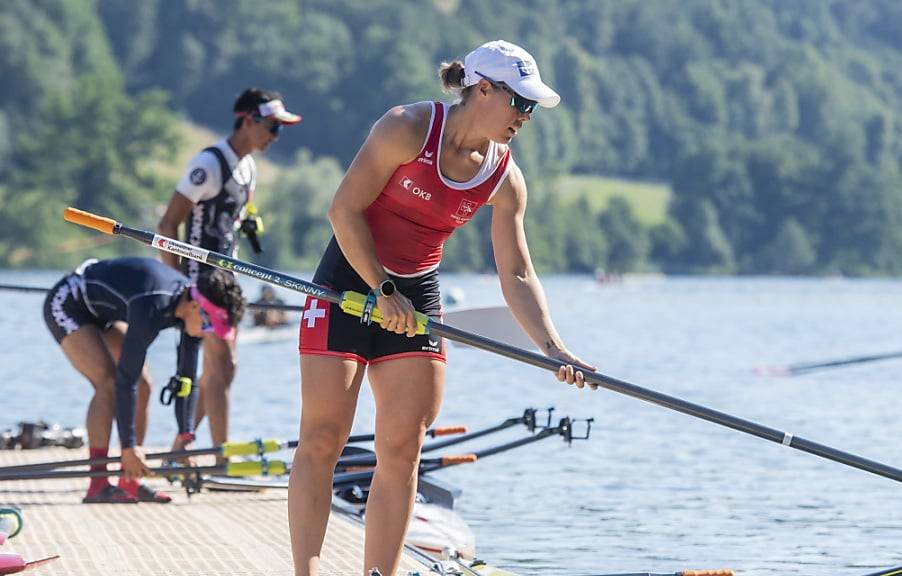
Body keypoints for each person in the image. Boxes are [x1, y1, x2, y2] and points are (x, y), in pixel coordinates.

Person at [289, 40, 595, 576]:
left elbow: (517, 273)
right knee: (322, 437)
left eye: (531, 107)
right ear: (482, 89)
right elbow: (343, 209)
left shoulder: (505, 178)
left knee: (403, 448)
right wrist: (384, 291)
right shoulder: (406, 127)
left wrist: (554, 347)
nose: (526, 116)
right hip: (348, 283)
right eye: (520, 103)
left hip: (417, 298)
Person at [157, 87, 301, 456]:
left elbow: (235, 220)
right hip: (198, 278)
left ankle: (179, 448)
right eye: (272, 128)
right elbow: (167, 225)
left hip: (226, 282)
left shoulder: (249, 167)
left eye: (279, 130)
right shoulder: (208, 164)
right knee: (221, 367)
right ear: (248, 121)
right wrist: (177, 285)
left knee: (225, 371)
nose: (275, 137)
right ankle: (219, 459)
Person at [42, 257, 245, 503]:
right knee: (108, 382)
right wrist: (128, 446)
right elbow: (124, 381)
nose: (207, 332)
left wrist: (185, 437)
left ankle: (129, 480)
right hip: (69, 302)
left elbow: (186, 381)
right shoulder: (152, 307)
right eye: (208, 325)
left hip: (103, 310)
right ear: (195, 306)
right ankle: (98, 484)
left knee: (144, 385)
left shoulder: (190, 311)